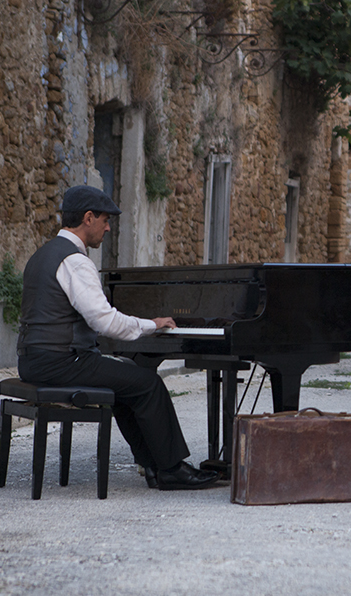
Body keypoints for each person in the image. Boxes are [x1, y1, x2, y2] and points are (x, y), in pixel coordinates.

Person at [17, 184, 219, 491]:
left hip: (33, 360)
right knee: (148, 383)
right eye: (105, 220)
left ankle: (154, 467)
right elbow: (105, 321)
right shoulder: (75, 261)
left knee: (128, 384)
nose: (108, 227)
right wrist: (151, 324)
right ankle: (172, 470)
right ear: (88, 218)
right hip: (62, 360)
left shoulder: (43, 254)